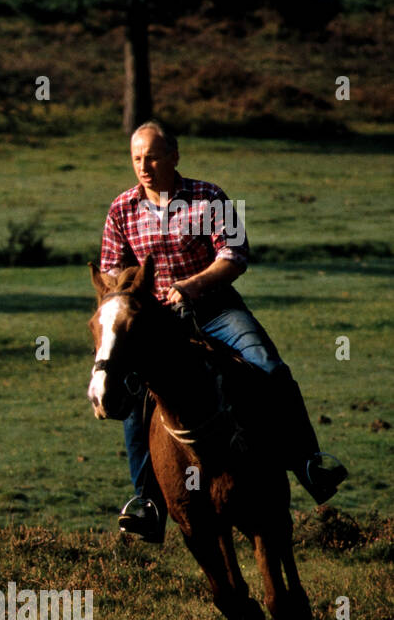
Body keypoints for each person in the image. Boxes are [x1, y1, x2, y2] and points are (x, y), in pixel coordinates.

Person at [99, 120, 347, 542]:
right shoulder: (122, 208)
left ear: (175, 156)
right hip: (157, 326)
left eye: (153, 156)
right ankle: (148, 503)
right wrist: (125, 289)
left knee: (268, 366)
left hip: (214, 308)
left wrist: (190, 288)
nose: (144, 165)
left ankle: (309, 463)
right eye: (137, 158)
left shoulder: (208, 196)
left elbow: (234, 256)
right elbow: (110, 270)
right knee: (136, 394)